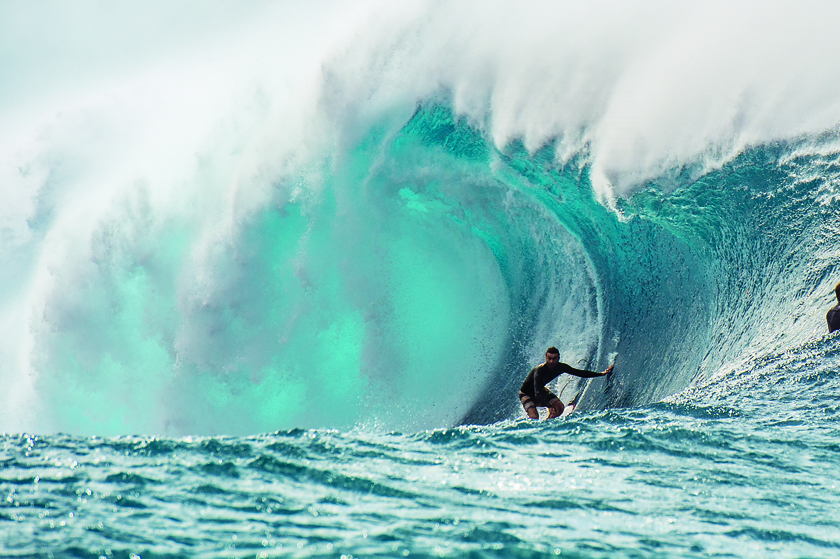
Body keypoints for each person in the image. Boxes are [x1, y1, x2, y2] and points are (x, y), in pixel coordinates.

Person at [519, 346, 613, 419]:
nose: (551, 361)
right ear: (546, 357)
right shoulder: (539, 370)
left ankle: (547, 424)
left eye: (554, 358)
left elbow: (579, 373)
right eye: (549, 358)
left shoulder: (561, 367)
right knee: (535, 417)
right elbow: (537, 393)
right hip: (526, 394)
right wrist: (549, 405)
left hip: (540, 390)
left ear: (558, 358)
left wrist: (601, 373)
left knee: (559, 408)